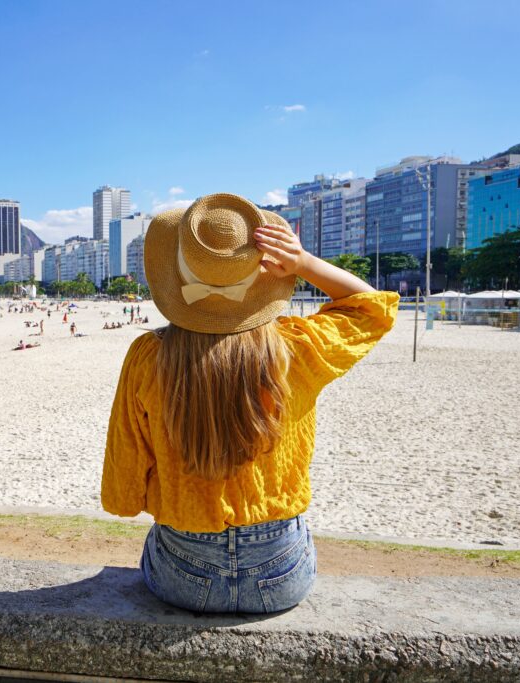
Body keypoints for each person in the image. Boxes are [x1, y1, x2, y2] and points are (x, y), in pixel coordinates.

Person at [102, 193, 397, 614]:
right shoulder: (297, 348)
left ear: (177, 274)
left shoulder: (148, 356)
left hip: (181, 572)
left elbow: (123, 480)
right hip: (280, 571)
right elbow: (372, 308)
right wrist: (303, 263)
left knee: (159, 544)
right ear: (260, 275)